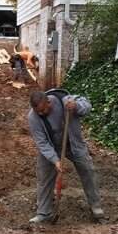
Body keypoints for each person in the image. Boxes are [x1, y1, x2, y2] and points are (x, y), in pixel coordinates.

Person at [27, 90, 104, 223]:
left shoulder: (65, 101)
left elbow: (88, 107)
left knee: (87, 170)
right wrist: (55, 160)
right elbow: (42, 143)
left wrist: (77, 106)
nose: (41, 114)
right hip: (51, 147)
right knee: (44, 177)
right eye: (38, 111)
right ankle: (43, 213)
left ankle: (95, 206)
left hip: (74, 144)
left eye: (43, 110)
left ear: (49, 102)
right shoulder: (33, 117)